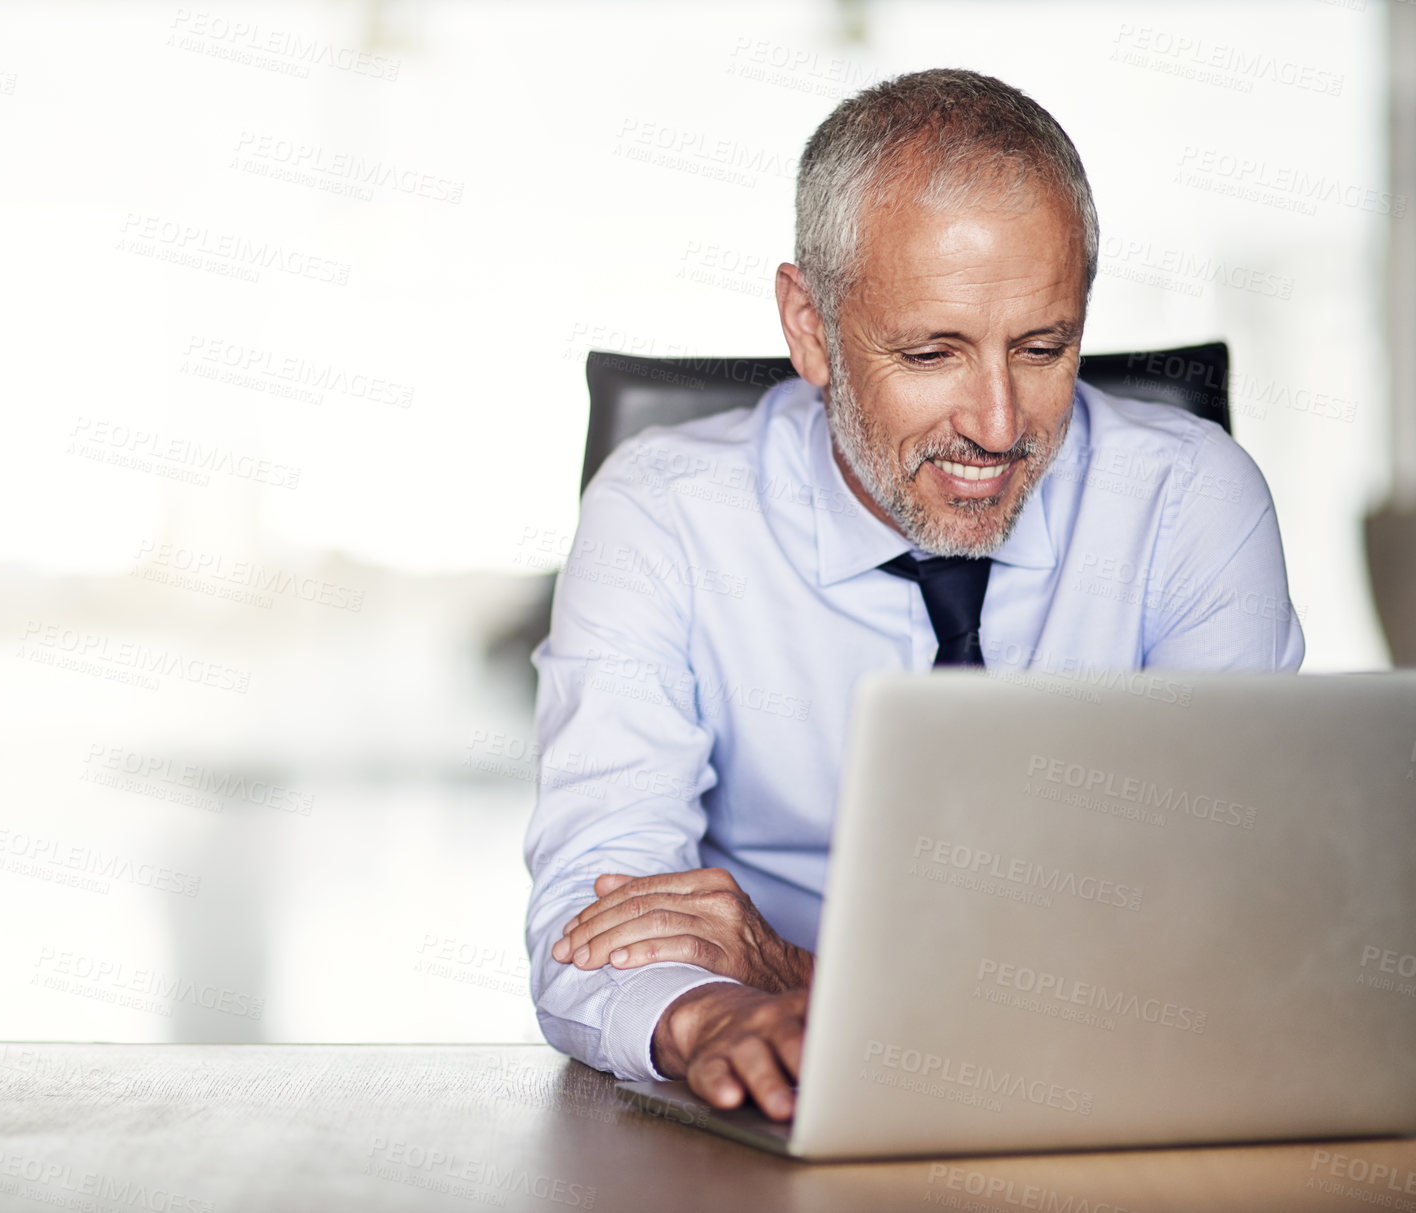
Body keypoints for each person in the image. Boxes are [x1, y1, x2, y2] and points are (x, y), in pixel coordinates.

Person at [522, 68, 1304, 1123]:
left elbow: (1233, 943)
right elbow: (597, 910)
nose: (995, 422)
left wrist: (798, 975)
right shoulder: (663, 513)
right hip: (774, 1110)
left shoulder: (1189, 502)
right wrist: (711, 1017)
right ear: (809, 326)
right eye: (931, 352)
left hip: (1103, 1113)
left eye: (1043, 347)